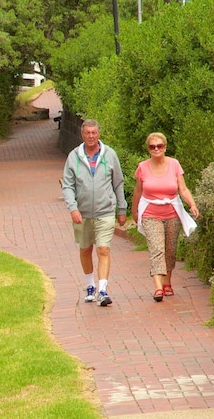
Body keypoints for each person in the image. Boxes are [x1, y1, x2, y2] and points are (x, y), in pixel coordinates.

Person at [61, 119, 127, 307]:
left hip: (105, 210)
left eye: (94, 133)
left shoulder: (109, 155)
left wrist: (121, 209)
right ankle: (90, 285)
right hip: (82, 213)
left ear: (99, 134)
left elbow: (118, 183)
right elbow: (67, 185)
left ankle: (103, 289)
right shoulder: (74, 156)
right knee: (85, 249)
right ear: (82, 135)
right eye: (87, 133)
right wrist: (73, 208)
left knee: (103, 249)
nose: (91, 136)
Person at [131, 132, 199, 302]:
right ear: (148, 149)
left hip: (171, 213)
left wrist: (192, 204)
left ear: (165, 147)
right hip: (150, 214)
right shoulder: (143, 167)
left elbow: (182, 189)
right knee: (157, 249)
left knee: (170, 249)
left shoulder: (174, 165)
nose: (156, 149)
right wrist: (134, 211)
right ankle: (158, 287)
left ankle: (167, 281)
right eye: (152, 147)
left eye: (159, 146)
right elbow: (138, 191)